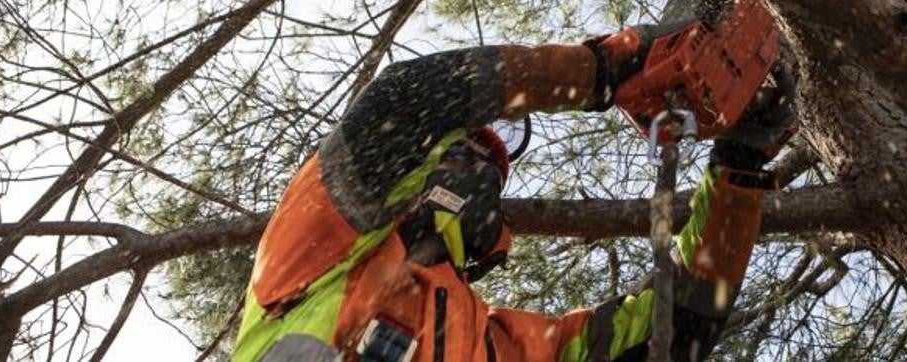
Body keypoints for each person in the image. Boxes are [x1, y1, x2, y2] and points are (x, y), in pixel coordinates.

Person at [233, 26, 794, 361]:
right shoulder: (306, 261)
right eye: (460, 153)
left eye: (489, 164)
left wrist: (736, 172)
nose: (477, 167)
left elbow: (674, 331)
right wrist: (602, 69)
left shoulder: (499, 348)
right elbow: (404, 106)